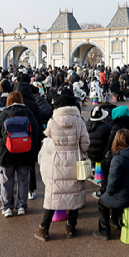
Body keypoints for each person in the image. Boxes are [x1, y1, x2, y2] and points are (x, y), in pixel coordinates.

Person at [34, 94, 90, 241]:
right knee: (74, 195)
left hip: (57, 160)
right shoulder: (79, 121)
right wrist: (78, 152)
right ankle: (71, 228)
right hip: (74, 160)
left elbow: (47, 136)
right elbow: (85, 143)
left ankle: (43, 229)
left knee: (53, 196)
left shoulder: (52, 121)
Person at [0, 91, 39, 218]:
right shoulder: (28, 112)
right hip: (25, 151)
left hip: (6, 153)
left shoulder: (5, 113)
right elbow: (35, 130)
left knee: (6, 180)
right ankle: (21, 206)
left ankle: (7, 207)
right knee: (23, 180)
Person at [93, 129, 129, 241]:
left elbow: (112, 185)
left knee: (102, 203)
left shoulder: (118, 159)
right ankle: (115, 221)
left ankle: (104, 231)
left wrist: (106, 192)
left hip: (126, 197)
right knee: (116, 195)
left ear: (116, 141)